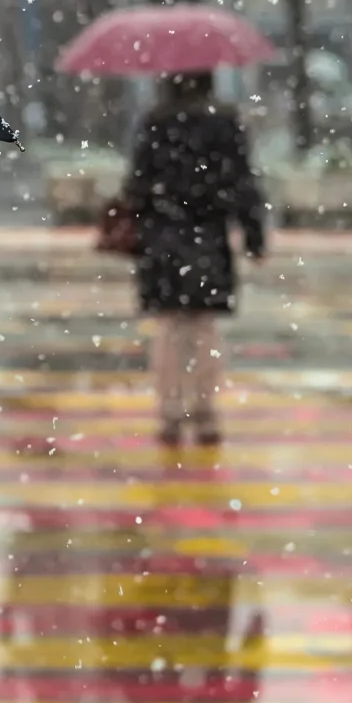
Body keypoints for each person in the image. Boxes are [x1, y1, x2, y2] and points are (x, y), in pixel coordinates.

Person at [121, 69, 266, 446]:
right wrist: (254, 236)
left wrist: (141, 220)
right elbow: (242, 182)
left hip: (163, 235)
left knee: (170, 326)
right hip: (208, 234)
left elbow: (136, 184)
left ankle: (169, 412)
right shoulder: (225, 122)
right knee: (204, 326)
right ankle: (205, 412)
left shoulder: (155, 122)